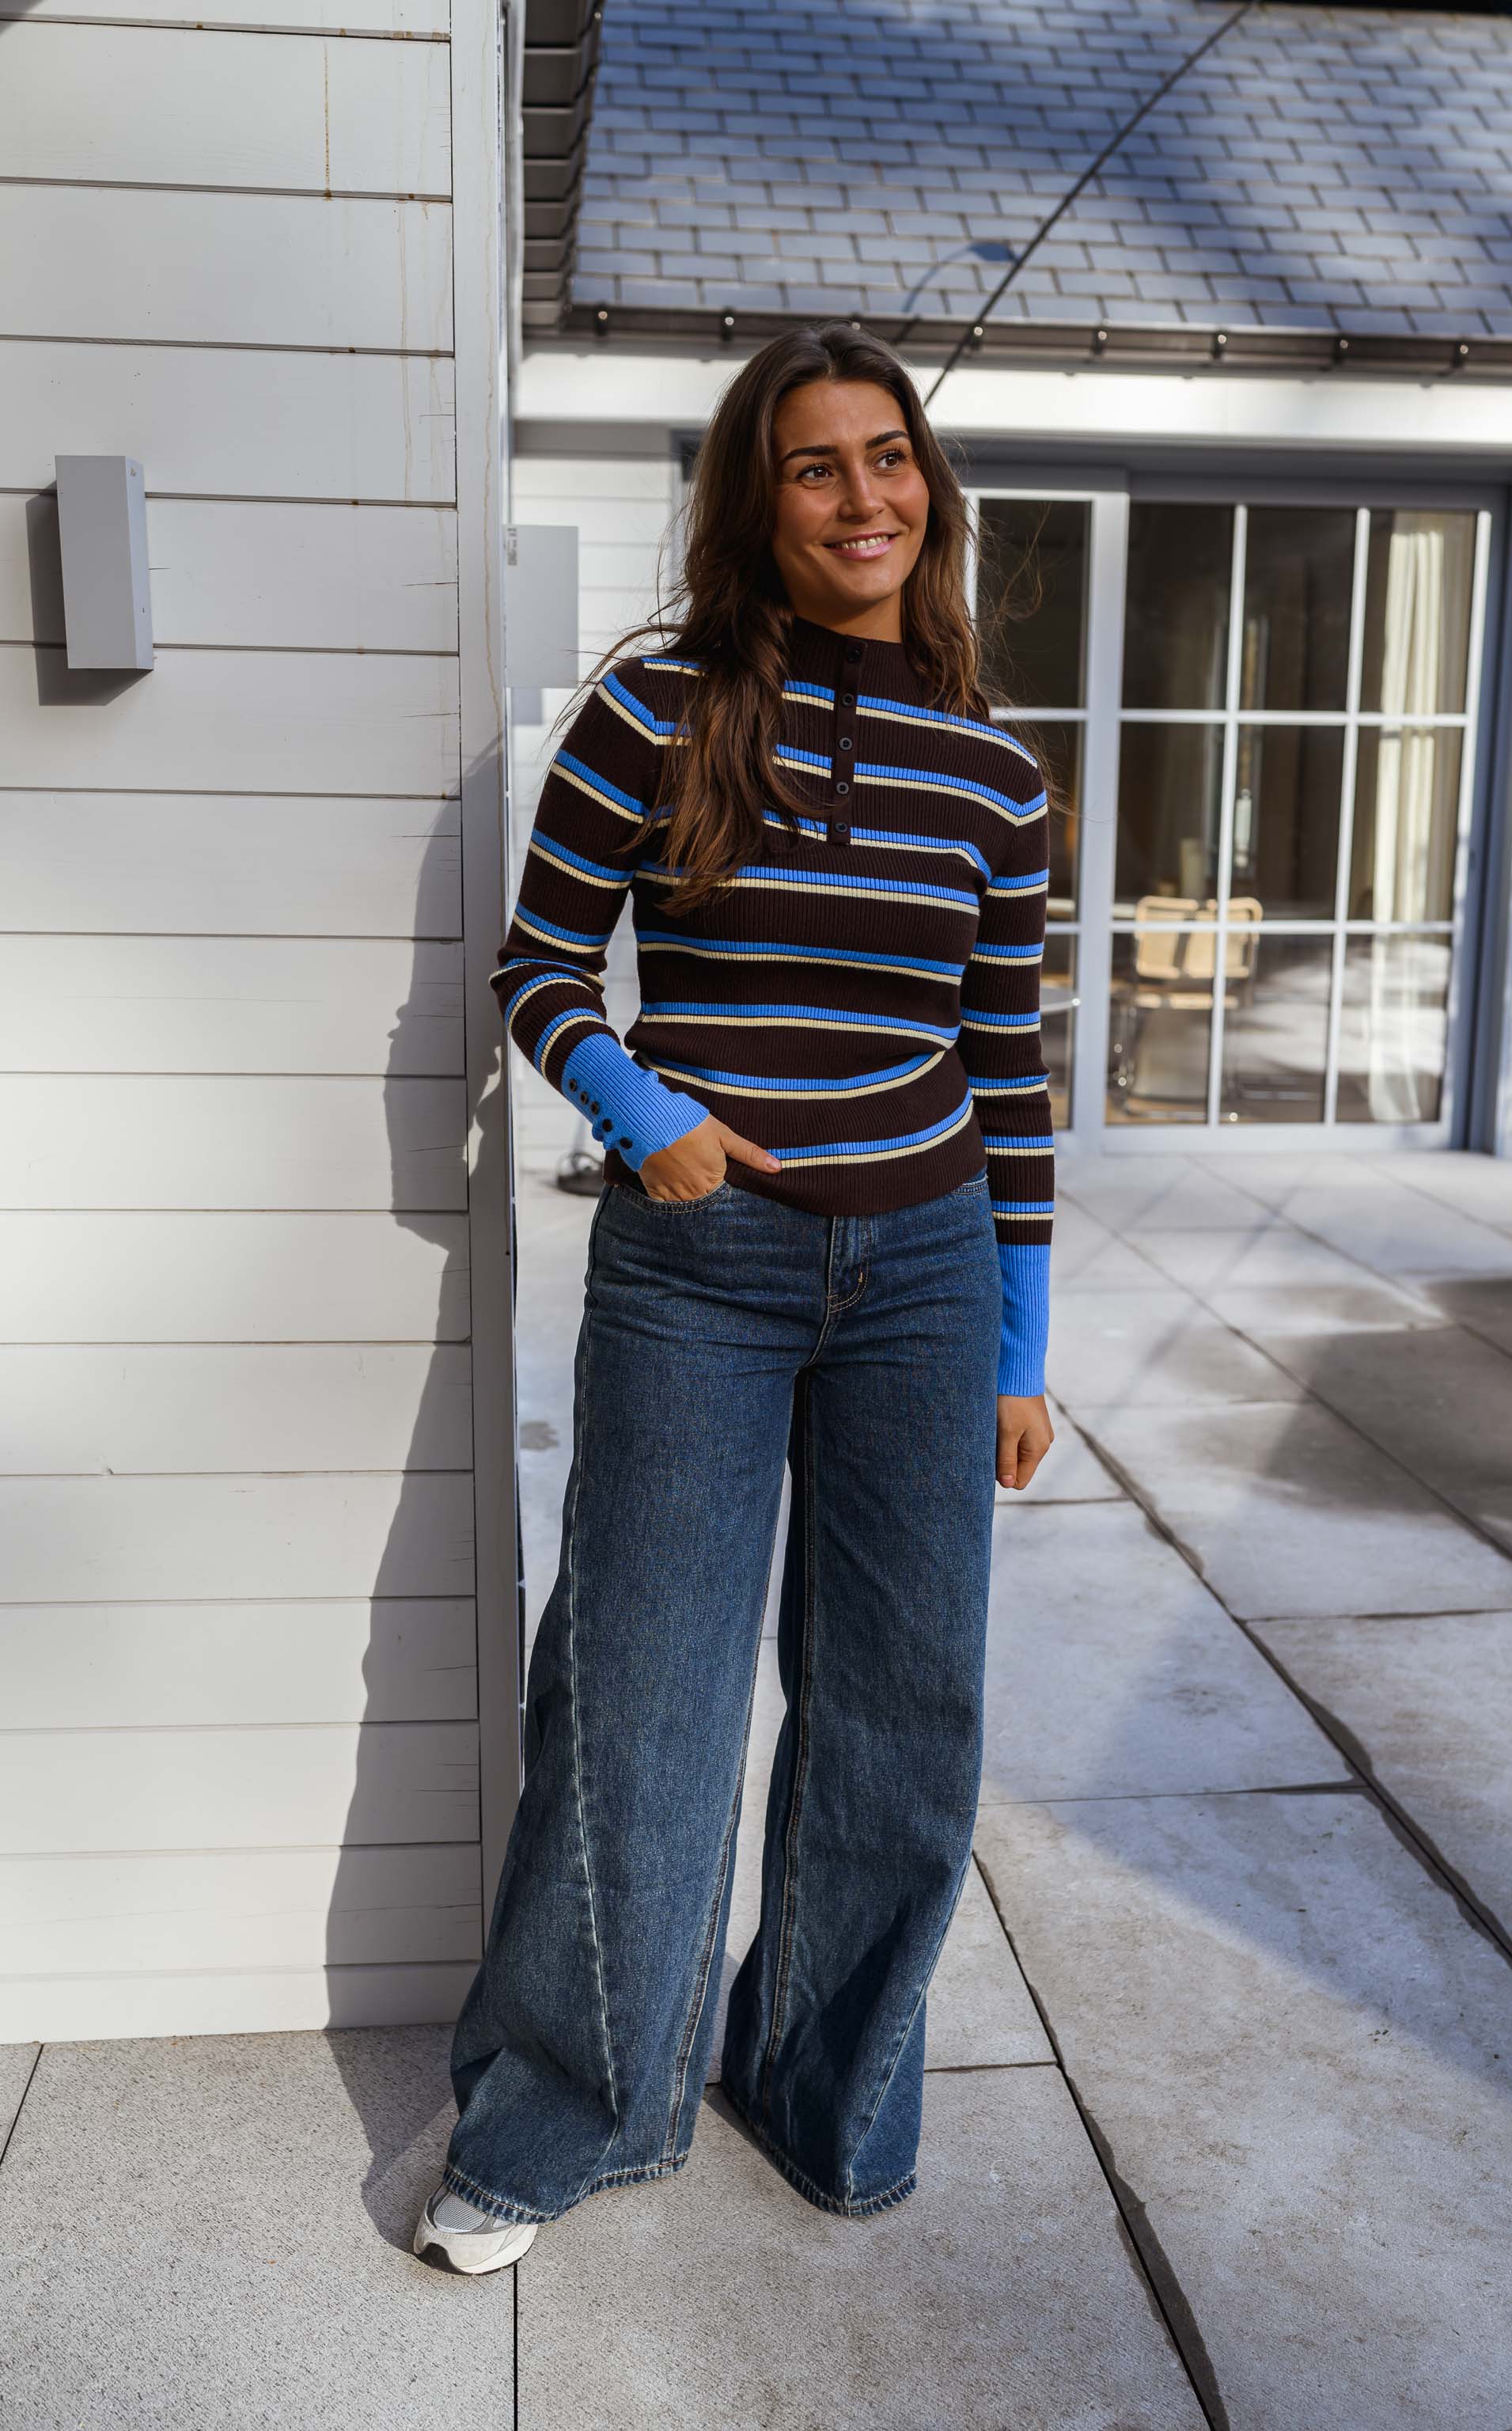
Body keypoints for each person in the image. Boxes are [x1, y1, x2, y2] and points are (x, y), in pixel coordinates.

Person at [415, 323, 1055, 2274]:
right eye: (814, 466)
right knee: (641, 1690)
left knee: (899, 1708)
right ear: (750, 501)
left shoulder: (996, 770)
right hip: (704, 1265)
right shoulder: (659, 707)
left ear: (924, 490)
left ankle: (823, 2090)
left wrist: (1023, 1351)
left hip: (931, 1272)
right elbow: (536, 967)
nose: (865, 498)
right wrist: (646, 1115)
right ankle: (557, 2111)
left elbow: (1008, 1068)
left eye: (889, 459)